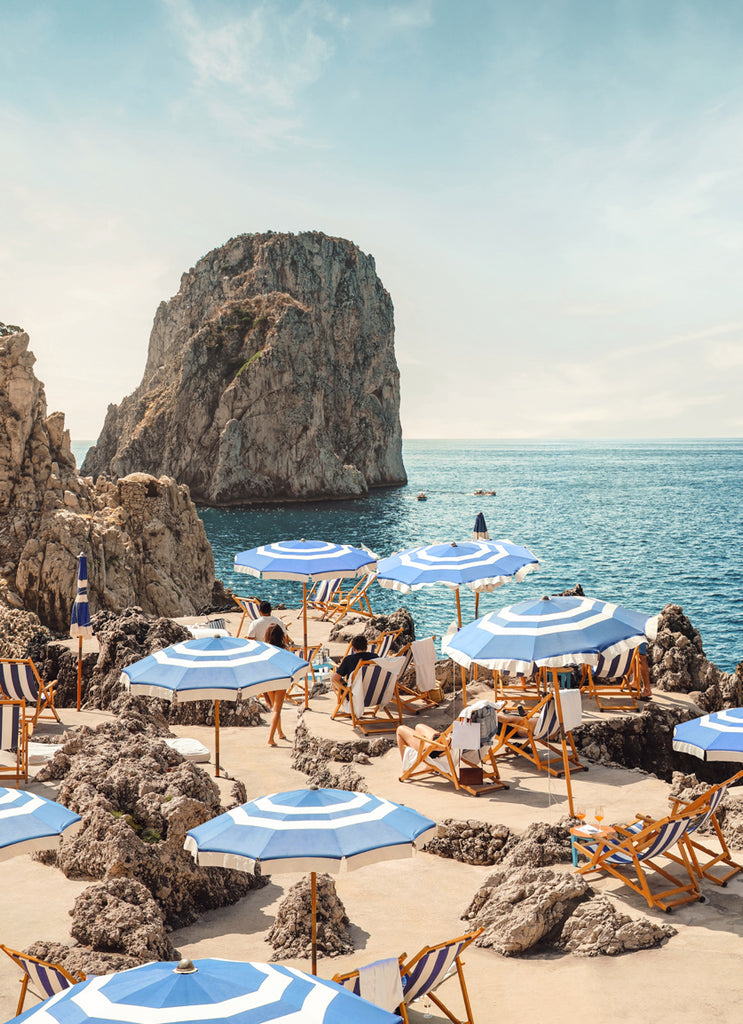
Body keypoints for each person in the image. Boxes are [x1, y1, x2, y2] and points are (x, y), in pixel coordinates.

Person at [263, 623, 289, 746]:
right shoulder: (284, 649)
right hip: (281, 679)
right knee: (277, 710)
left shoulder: (264, 648)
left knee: (275, 708)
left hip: (269, 679)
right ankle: (270, 738)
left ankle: (280, 732)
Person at [330, 634, 378, 701]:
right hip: (374, 694)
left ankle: (344, 700)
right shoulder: (375, 657)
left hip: (356, 696)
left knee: (333, 678)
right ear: (366, 647)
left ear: (353, 648)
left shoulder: (349, 659)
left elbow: (335, 679)